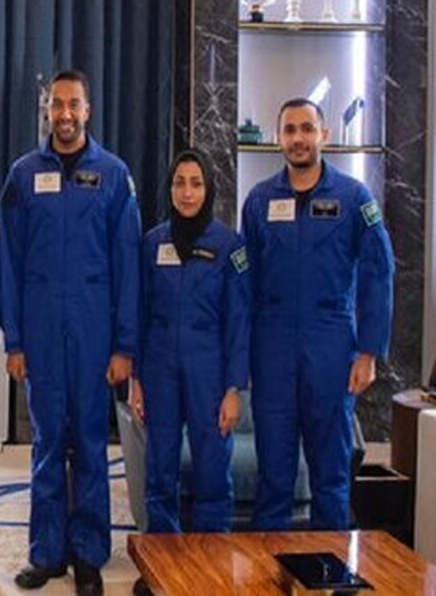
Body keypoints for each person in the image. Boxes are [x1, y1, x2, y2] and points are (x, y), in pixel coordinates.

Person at [0, 70, 140, 596]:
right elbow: (9, 264)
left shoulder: (113, 175)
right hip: (40, 333)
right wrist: (14, 340)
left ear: (87, 111)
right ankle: (46, 552)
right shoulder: (23, 175)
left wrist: (124, 345)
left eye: (73, 104)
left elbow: (128, 265)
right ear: (47, 111)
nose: (64, 113)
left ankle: (87, 556)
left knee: (89, 445)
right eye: (56, 104)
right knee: (46, 444)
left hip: (93, 334)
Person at [242, 98, 394, 530]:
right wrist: (242, 356)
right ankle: (271, 564)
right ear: (279, 139)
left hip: (331, 345)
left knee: (331, 473)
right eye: (290, 130)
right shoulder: (259, 201)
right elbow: (244, 283)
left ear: (323, 135)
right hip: (272, 348)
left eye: (307, 129)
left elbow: (379, 271)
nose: (299, 139)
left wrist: (369, 352)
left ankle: (330, 563)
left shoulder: (354, 198)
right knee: (274, 474)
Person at [130, 149, 250, 534]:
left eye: (196, 184)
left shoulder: (230, 245)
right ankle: (163, 557)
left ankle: (210, 559)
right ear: (170, 189)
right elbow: (139, 313)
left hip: (209, 370)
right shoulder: (152, 244)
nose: (187, 193)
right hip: (159, 368)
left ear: (208, 189)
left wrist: (234, 389)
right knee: (159, 469)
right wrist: (136, 379)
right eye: (179, 183)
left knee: (212, 469)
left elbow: (239, 321)